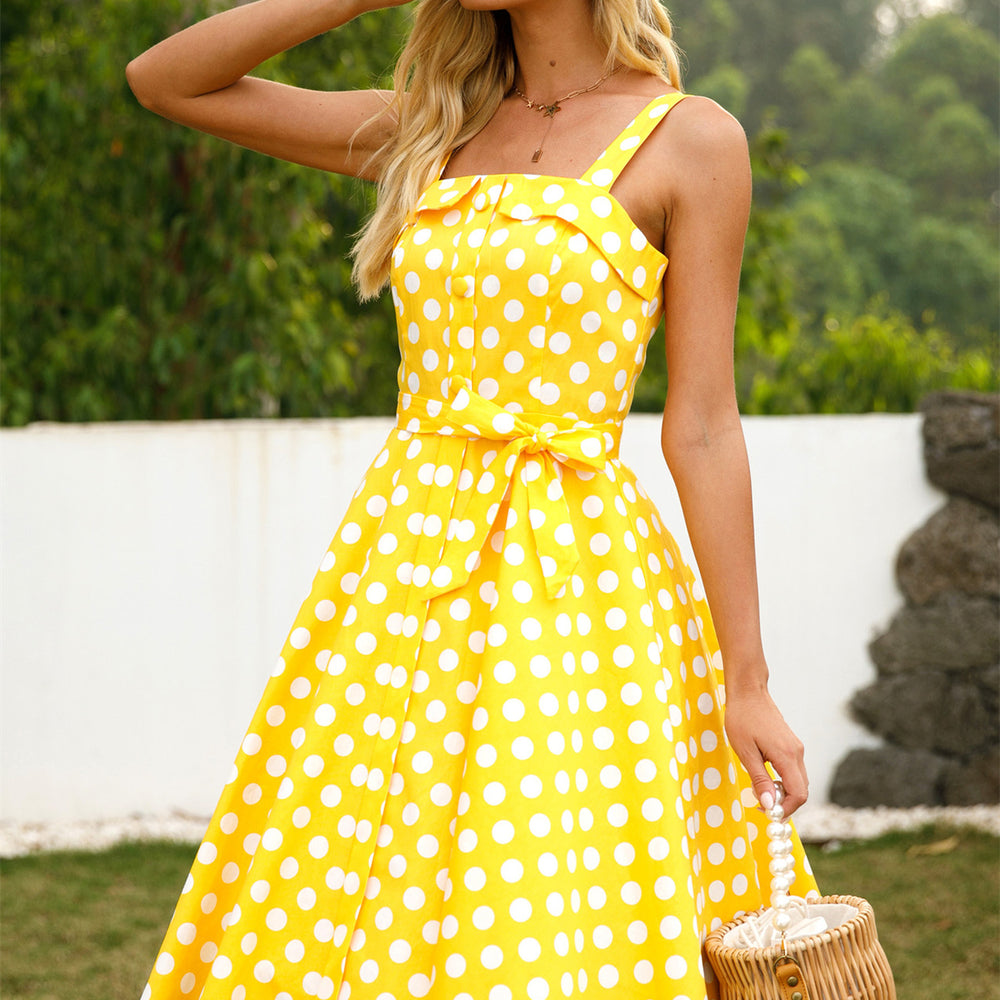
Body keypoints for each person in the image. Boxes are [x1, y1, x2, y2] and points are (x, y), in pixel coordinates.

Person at [127, 0, 817, 995]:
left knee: (536, 876)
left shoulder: (691, 140)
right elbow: (165, 80)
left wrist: (746, 681)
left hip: (574, 586)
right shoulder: (431, 124)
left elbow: (702, 424)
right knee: (356, 863)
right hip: (400, 572)